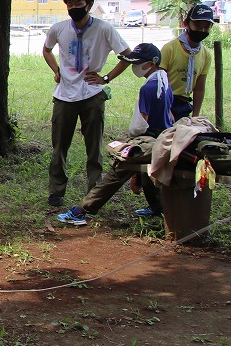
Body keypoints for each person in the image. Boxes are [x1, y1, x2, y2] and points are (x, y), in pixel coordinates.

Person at [57, 43, 176, 225]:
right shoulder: (165, 82)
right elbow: (171, 115)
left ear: (152, 63)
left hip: (148, 140)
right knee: (145, 171)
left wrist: (130, 140)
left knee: (118, 169)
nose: (134, 66)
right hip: (162, 139)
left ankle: (82, 210)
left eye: (138, 63)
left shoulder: (148, 88)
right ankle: (157, 207)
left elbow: (139, 125)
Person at [41, 0, 131, 208]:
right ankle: (56, 191)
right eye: (69, 4)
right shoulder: (59, 28)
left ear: (89, 5)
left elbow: (127, 55)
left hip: (92, 94)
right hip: (64, 96)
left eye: (78, 4)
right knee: (59, 147)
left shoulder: (104, 29)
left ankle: (94, 194)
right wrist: (56, 70)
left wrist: (106, 78)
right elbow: (47, 50)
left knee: (94, 147)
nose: (73, 8)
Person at [159, 2, 216, 118]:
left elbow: (199, 88)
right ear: (186, 24)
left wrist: (195, 116)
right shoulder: (169, 49)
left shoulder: (206, 55)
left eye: (206, 27)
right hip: (164, 101)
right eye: (198, 25)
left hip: (184, 104)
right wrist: (166, 110)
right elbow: (159, 83)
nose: (202, 30)